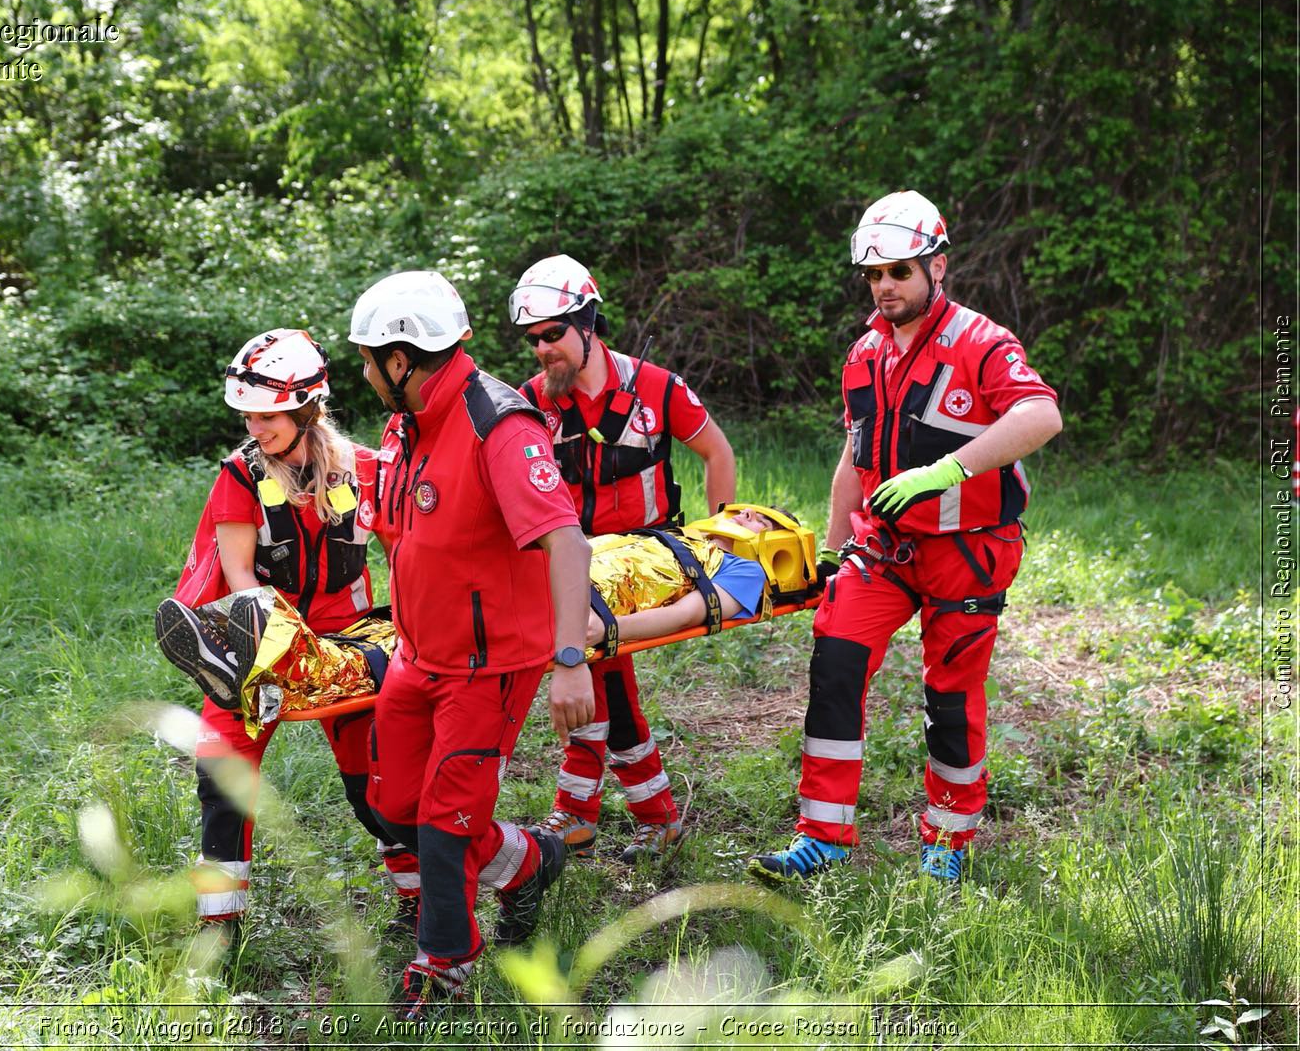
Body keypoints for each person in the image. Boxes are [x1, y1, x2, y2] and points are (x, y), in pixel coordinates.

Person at [748, 190, 1063, 884]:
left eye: (898, 272)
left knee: (951, 698)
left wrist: (945, 470)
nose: (885, 287)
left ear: (937, 268)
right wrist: (830, 554)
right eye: (873, 275)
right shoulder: (863, 355)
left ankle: (949, 842)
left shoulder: (982, 343)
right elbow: (851, 463)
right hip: (882, 552)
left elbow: (1041, 415)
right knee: (834, 666)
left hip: (968, 551)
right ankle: (822, 837)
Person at [352, 269, 594, 1018]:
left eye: (367, 357)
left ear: (401, 359)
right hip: (419, 655)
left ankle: (446, 961)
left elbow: (566, 541)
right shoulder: (407, 422)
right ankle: (527, 864)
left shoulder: (499, 423)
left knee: (445, 820)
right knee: (390, 801)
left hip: (491, 666)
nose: (362, 371)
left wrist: (569, 661)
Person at [152, 328, 419, 938]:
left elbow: (403, 554)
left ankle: (418, 899)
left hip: (348, 642)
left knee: (375, 783)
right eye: (247, 412)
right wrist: (271, 654)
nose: (255, 425)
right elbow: (241, 575)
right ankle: (218, 928)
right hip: (259, 637)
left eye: (267, 413)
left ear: (306, 407)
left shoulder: (366, 468)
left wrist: (408, 633)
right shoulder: (240, 475)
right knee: (221, 771)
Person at [162, 506, 817, 724]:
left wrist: (605, 633)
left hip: (566, 606)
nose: (744, 516)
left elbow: (694, 615)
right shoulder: (678, 535)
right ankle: (251, 655)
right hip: (541, 574)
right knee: (411, 616)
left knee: (422, 644)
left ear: (775, 540)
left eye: (761, 517)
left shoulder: (740, 570)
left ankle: (276, 664)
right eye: (745, 511)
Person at [511, 253, 737, 862]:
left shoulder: (656, 387)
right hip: (573, 567)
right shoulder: (532, 403)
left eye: (553, 335)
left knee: (592, 656)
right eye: (532, 339)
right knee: (597, 664)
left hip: (649, 562)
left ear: (588, 325)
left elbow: (718, 452)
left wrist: (718, 541)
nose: (542, 350)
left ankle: (591, 813)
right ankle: (633, 812)